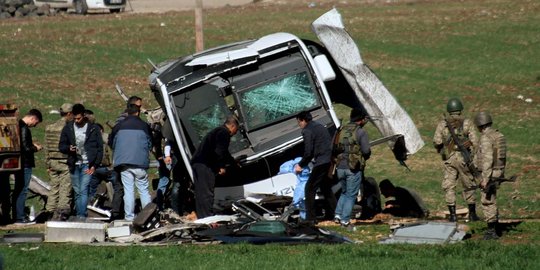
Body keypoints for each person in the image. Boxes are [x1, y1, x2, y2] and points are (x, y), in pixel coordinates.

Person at [433, 98, 479, 222]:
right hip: (464, 159)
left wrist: (442, 148)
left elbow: (437, 141)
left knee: (449, 186)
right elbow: (475, 142)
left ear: (449, 110)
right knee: (468, 185)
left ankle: (453, 215)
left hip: (450, 158)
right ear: (460, 109)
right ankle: (472, 214)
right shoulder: (467, 122)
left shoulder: (443, 123)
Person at [109, 104, 152, 221]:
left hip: (124, 163)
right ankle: (147, 216)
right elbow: (150, 142)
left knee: (128, 190)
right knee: (143, 190)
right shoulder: (144, 126)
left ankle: (129, 217)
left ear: (127, 113)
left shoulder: (119, 126)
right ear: (138, 113)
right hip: (140, 162)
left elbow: (112, 142)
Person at [59, 104, 103, 218]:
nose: (77, 121)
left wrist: (95, 165)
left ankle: (81, 215)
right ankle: (79, 212)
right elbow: (61, 145)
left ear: (83, 116)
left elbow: (99, 148)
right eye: (75, 118)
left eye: (79, 118)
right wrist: (69, 148)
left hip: (87, 164)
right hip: (74, 163)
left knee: (83, 190)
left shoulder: (93, 128)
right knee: (77, 190)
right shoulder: (68, 128)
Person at [191, 115, 239, 219]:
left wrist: (233, 162)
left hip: (197, 164)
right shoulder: (224, 133)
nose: (235, 133)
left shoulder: (217, 131)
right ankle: (208, 218)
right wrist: (220, 167)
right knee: (207, 193)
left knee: (200, 192)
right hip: (205, 165)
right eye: (236, 130)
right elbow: (219, 152)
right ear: (232, 126)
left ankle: (202, 216)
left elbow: (225, 153)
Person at [294, 111, 336, 224]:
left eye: (299, 122)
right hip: (328, 160)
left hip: (321, 162)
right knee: (326, 188)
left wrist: (300, 164)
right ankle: (333, 214)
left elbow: (308, 152)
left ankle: (310, 218)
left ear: (303, 120)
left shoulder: (307, 130)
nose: (299, 125)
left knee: (309, 188)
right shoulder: (319, 126)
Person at [332, 107, 371, 227]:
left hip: (340, 167)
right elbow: (366, 151)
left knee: (344, 192)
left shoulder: (341, 130)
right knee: (351, 195)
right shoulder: (360, 132)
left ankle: (338, 215)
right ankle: (345, 220)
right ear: (361, 119)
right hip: (353, 168)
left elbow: (333, 148)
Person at [6, 109, 43, 225]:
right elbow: (25, 149)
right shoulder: (24, 128)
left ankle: (16, 215)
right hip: (25, 164)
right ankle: (20, 217)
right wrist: (35, 148)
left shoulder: (16, 126)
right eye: (36, 123)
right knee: (22, 190)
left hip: (17, 163)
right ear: (33, 118)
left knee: (17, 190)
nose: (35, 125)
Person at [474, 112, 506, 240]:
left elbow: (487, 159)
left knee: (487, 201)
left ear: (480, 126)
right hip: (498, 171)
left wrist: (485, 179)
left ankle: (491, 231)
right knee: (492, 197)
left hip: (490, 173)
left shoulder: (486, 138)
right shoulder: (498, 135)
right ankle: (496, 225)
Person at [44, 103, 73, 220]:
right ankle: (62, 212)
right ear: (69, 113)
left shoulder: (50, 127)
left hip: (52, 162)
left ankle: (49, 211)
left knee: (54, 188)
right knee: (65, 188)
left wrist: (47, 163)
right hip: (65, 162)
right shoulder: (68, 128)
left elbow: (46, 147)